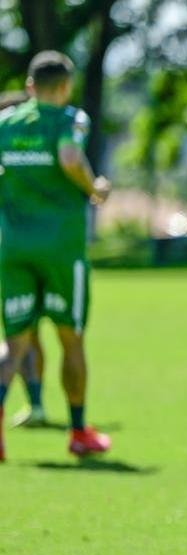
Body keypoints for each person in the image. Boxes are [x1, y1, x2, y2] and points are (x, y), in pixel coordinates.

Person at [0, 51, 112, 462]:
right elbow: (68, 157)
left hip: (12, 246)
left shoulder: (5, 123)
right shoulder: (71, 120)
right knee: (71, 338)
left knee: (14, 344)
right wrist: (94, 188)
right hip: (61, 248)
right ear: (65, 87)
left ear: (29, 86)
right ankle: (79, 431)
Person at [0, 88, 48, 429]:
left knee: (21, 337)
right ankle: (36, 403)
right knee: (20, 338)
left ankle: (36, 404)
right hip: (18, 255)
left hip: (14, 255)